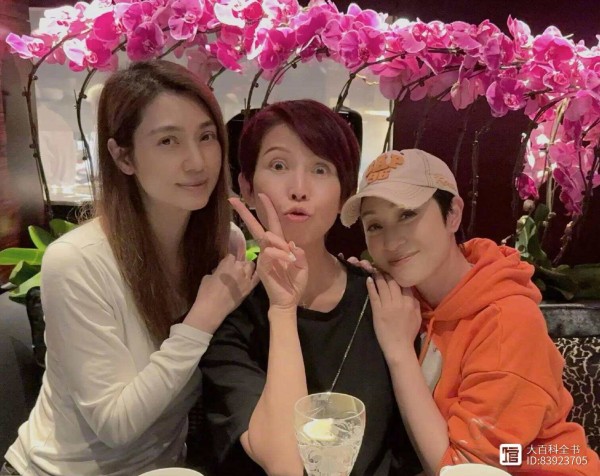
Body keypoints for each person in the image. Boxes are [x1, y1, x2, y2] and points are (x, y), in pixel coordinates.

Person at [3, 60, 258, 476]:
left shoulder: (222, 243)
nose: (197, 162)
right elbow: (115, 425)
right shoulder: (77, 261)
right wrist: (201, 319)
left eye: (206, 136)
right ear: (123, 156)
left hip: (164, 467)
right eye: (168, 141)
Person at [339, 148, 600, 476]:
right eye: (375, 225)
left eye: (407, 214)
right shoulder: (408, 297)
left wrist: (400, 352)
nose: (391, 242)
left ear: (452, 214)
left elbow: (463, 470)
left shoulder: (506, 322)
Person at [200, 99, 422, 475]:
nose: (299, 189)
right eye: (279, 165)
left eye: (320, 169)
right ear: (247, 187)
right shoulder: (228, 311)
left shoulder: (384, 300)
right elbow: (286, 465)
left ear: (344, 194)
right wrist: (283, 308)